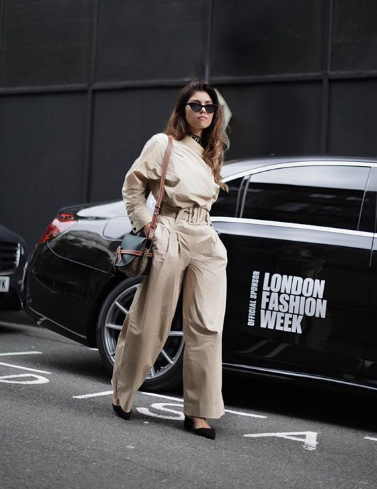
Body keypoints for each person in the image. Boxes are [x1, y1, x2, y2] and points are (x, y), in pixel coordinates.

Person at [111, 80, 229, 440]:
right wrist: (147, 225)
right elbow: (134, 185)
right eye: (196, 106)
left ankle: (199, 412)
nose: (203, 112)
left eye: (209, 107)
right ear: (183, 109)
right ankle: (124, 392)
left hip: (205, 237)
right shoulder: (163, 143)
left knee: (208, 326)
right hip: (171, 231)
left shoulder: (212, 150)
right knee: (152, 320)